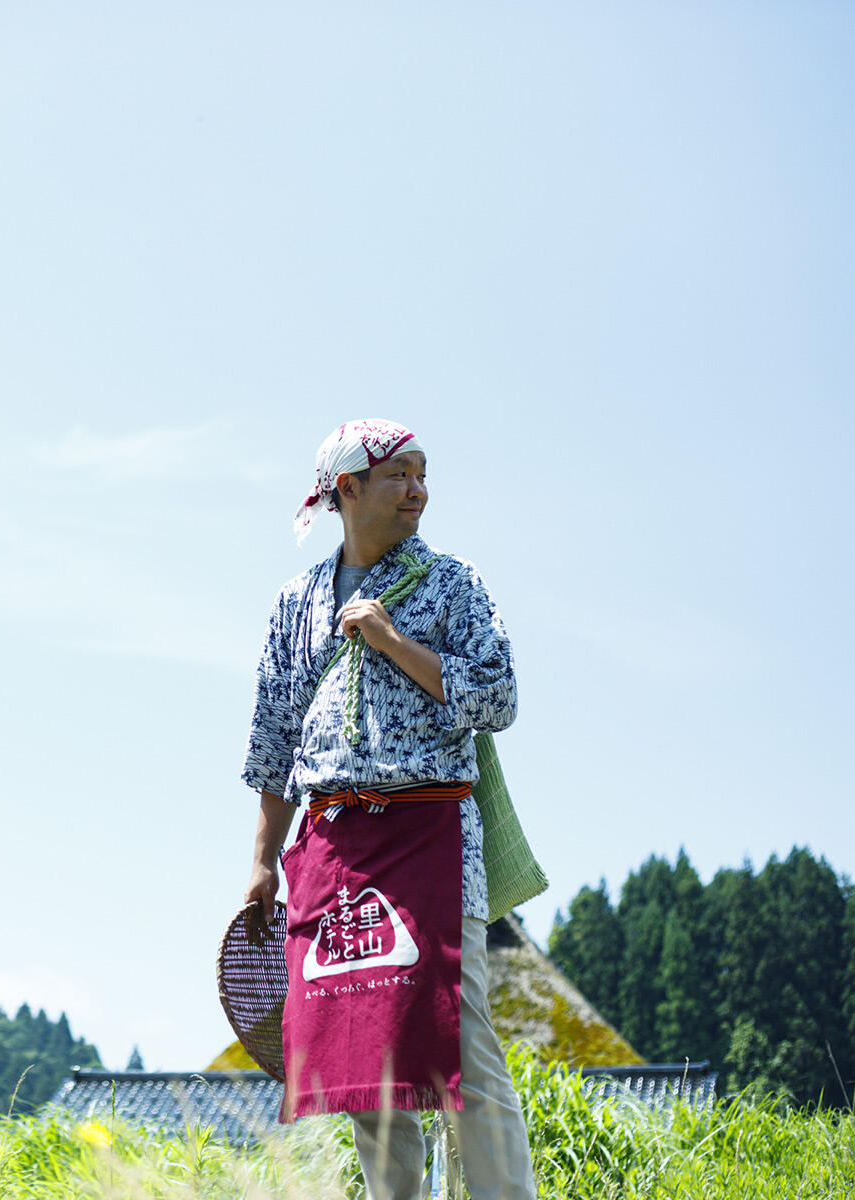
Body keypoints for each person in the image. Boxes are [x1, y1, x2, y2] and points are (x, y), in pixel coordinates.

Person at [241, 420, 536, 1200]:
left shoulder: (451, 583)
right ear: (348, 490)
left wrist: (392, 639)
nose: (418, 491)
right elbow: (273, 742)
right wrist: (263, 862)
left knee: (459, 1036)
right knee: (361, 1051)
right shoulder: (295, 604)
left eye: (422, 474)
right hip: (333, 848)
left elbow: (498, 697)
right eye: (399, 475)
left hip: (429, 835)